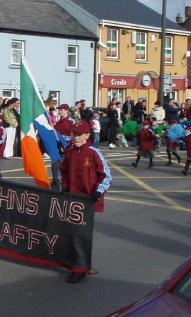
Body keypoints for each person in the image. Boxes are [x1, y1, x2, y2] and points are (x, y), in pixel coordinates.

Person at [60, 121, 112, 283]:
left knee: (80, 235)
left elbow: (106, 176)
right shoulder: (69, 152)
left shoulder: (93, 152)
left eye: (78, 134)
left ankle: (80, 268)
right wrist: (64, 187)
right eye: (73, 134)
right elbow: (64, 173)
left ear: (87, 135)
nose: (74, 137)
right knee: (72, 234)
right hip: (72, 199)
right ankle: (78, 264)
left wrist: (98, 191)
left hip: (87, 201)